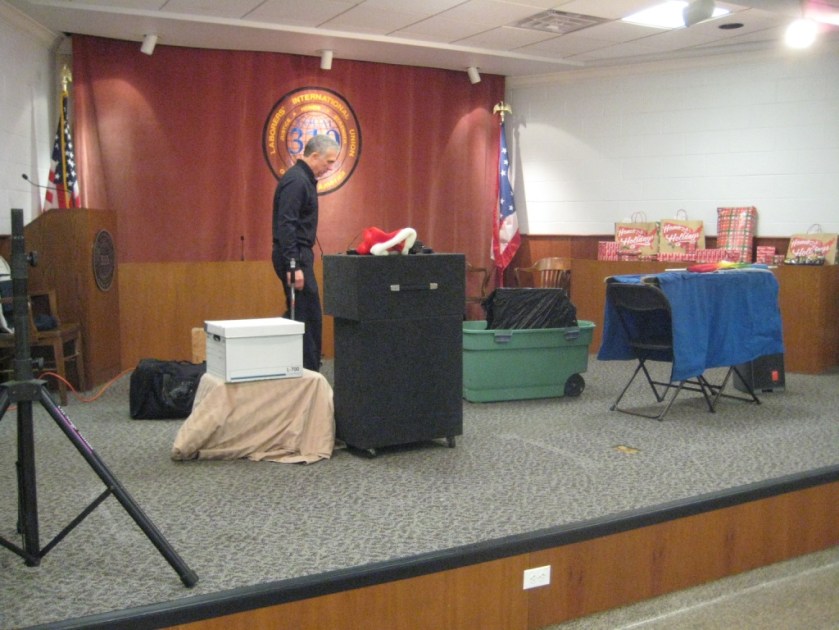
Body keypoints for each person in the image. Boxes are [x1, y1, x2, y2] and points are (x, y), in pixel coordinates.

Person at [271, 134, 339, 372]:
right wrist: (293, 265)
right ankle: (308, 373)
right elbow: (286, 224)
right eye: (329, 162)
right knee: (308, 317)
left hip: (299, 255)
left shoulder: (303, 179)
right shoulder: (297, 181)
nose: (330, 168)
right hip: (294, 256)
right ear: (315, 155)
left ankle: (300, 369)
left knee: (302, 314)